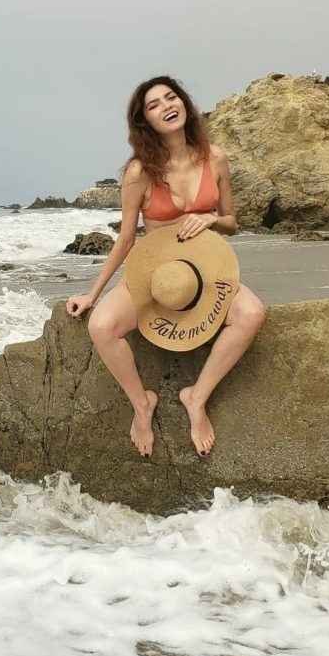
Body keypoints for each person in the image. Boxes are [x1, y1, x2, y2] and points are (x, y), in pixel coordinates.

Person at [65, 75, 266, 459]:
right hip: (155, 275)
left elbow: (231, 222)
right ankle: (142, 404)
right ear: (146, 122)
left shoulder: (216, 158)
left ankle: (196, 397)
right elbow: (125, 238)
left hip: (204, 273)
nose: (166, 106)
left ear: (185, 104)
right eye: (153, 105)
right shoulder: (140, 171)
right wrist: (92, 294)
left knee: (252, 313)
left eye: (170, 97)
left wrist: (209, 220)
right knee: (101, 326)